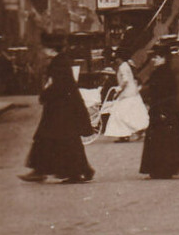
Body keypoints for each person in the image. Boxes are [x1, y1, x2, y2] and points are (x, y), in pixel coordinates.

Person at [20, 49, 95, 184]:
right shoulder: (61, 60)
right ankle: (77, 170)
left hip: (61, 110)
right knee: (58, 140)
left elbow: (60, 85)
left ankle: (73, 172)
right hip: (60, 109)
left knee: (55, 140)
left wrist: (45, 94)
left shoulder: (59, 62)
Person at [138, 39, 179, 180]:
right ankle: (161, 168)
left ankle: (163, 168)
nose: (154, 60)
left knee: (165, 141)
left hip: (164, 111)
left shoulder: (166, 73)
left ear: (163, 57)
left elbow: (165, 94)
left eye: (156, 57)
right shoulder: (163, 71)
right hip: (162, 111)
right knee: (166, 141)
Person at [100, 50, 150, 140]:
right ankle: (136, 129)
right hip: (132, 92)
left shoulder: (122, 67)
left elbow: (125, 80)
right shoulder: (127, 65)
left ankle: (125, 134)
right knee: (131, 113)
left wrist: (120, 88)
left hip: (126, 94)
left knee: (120, 114)